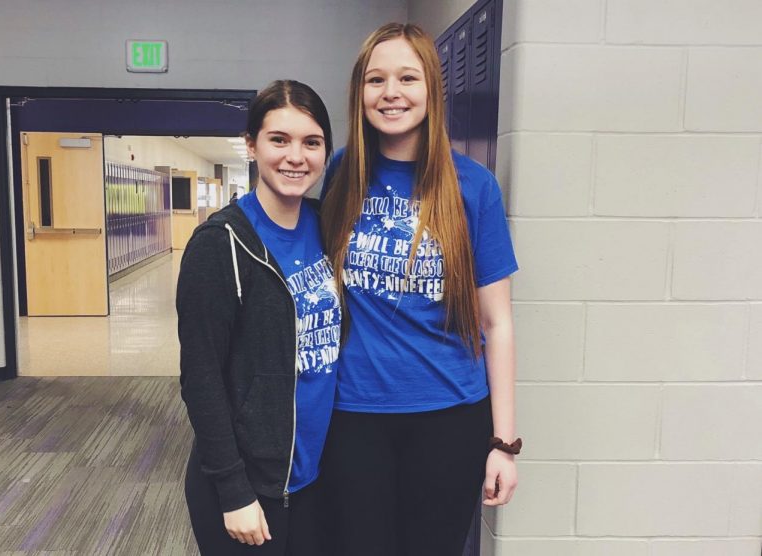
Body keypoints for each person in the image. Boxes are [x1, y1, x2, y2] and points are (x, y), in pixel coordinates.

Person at [319, 23, 520, 555]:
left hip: (449, 417)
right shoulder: (341, 172)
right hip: (354, 415)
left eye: (407, 78)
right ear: (359, 93)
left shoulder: (473, 186)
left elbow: (497, 324)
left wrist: (504, 443)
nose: (391, 93)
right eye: (375, 79)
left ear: (431, 89)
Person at [177, 80, 340, 555]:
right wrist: (234, 490)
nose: (296, 156)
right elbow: (200, 377)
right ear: (251, 145)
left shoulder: (327, 225)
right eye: (279, 140)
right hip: (250, 484)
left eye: (311, 142)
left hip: (312, 478)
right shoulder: (220, 244)